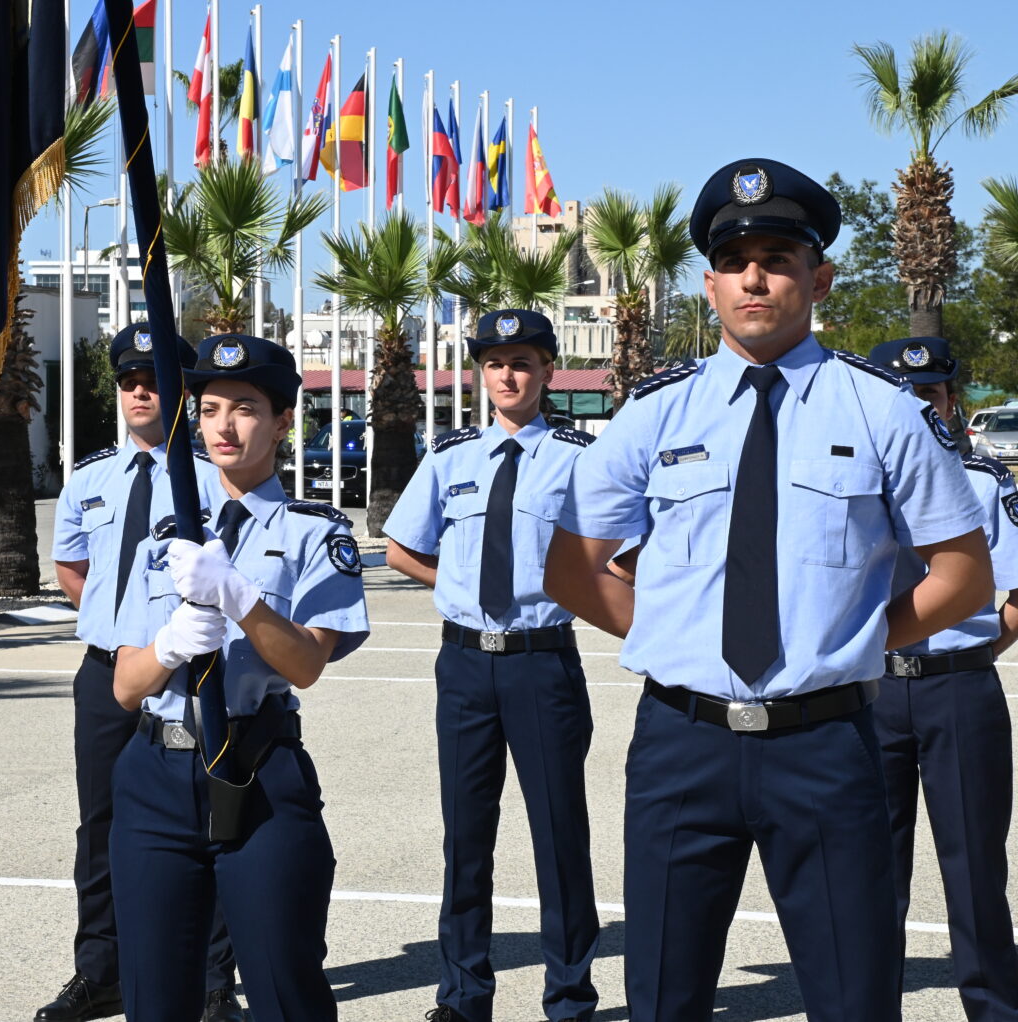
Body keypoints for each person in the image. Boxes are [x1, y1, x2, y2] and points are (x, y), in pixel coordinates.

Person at [542, 157, 993, 1022]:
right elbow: (573, 566)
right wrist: (673, 632)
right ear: (709, 283)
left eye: (779, 256)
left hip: (827, 746)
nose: (757, 275)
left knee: (854, 998)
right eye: (737, 259)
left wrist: (856, 642)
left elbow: (965, 575)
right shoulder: (653, 412)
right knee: (663, 998)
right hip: (681, 746)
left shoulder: (881, 409)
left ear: (818, 277)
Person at [109, 334, 369, 1021]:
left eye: (247, 408)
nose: (225, 425)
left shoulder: (317, 534)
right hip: (156, 778)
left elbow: (307, 664)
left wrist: (242, 601)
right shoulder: (166, 536)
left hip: (259, 770)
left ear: (284, 420)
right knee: (154, 997)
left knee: (286, 991)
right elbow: (125, 684)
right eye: (211, 406)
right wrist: (167, 645)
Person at [384, 309, 600, 1022]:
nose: (508, 375)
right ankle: (464, 993)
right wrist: (457, 588)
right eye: (495, 363)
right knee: (466, 836)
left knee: (559, 835)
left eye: (523, 362)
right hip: (467, 665)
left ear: (546, 371)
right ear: (481, 374)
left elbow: (615, 553)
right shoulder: (452, 457)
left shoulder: (577, 456)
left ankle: (569, 996)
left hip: (543, 664)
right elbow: (401, 548)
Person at [45, 323, 244, 1022]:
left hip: (185, 680)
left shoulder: (210, 483)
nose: (138, 390)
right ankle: (101, 972)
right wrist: (118, 627)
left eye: (152, 378)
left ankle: (215, 982)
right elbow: (73, 568)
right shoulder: (91, 479)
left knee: (201, 820)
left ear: (181, 390)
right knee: (98, 825)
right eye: (127, 379)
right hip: (106, 675)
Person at [867, 335, 1018, 1020]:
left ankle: (991, 1007)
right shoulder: (853, 483)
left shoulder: (986, 480)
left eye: (930, 392)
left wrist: (973, 655)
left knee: (974, 870)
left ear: (952, 400)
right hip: (866, 694)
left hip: (958, 690)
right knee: (867, 869)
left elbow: (1015, 598)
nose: (918, 405)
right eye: (903, 393)